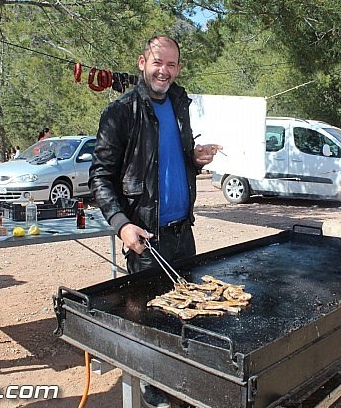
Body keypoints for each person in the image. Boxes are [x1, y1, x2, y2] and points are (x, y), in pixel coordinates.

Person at [89, 36, 220, 408]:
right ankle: (153, 384)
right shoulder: (121, 111)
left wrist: (194, 159)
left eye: (172, 64)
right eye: (158, 63)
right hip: (145, 236)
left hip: (182, 230)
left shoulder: (180, 104)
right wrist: (120, 222)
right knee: (150, 316)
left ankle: (183, 377)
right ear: (143, 61)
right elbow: (100, 175)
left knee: (187, 310)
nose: (165, 71)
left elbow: (172, 160)